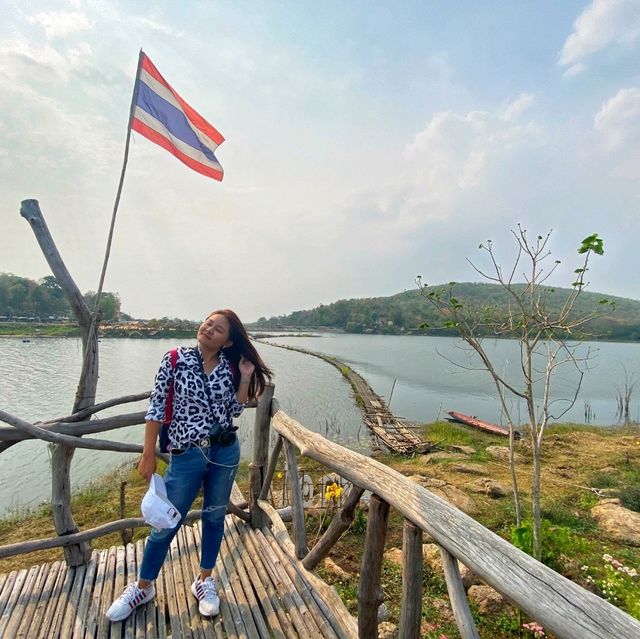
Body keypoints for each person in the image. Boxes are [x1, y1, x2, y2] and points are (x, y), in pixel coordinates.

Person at [107, 309, 272, 622]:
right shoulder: (174, 359)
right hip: (186, 455)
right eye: (208, 323)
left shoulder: (229, 367)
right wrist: (148, 453)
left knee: (214, 517)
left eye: (218, 329)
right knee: (165, 521)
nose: (209, 329)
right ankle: (143, 587)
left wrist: (245, 376)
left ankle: (204, 580)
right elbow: (156, 407)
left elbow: (235, 409)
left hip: (224, 453)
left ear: (227, 341)